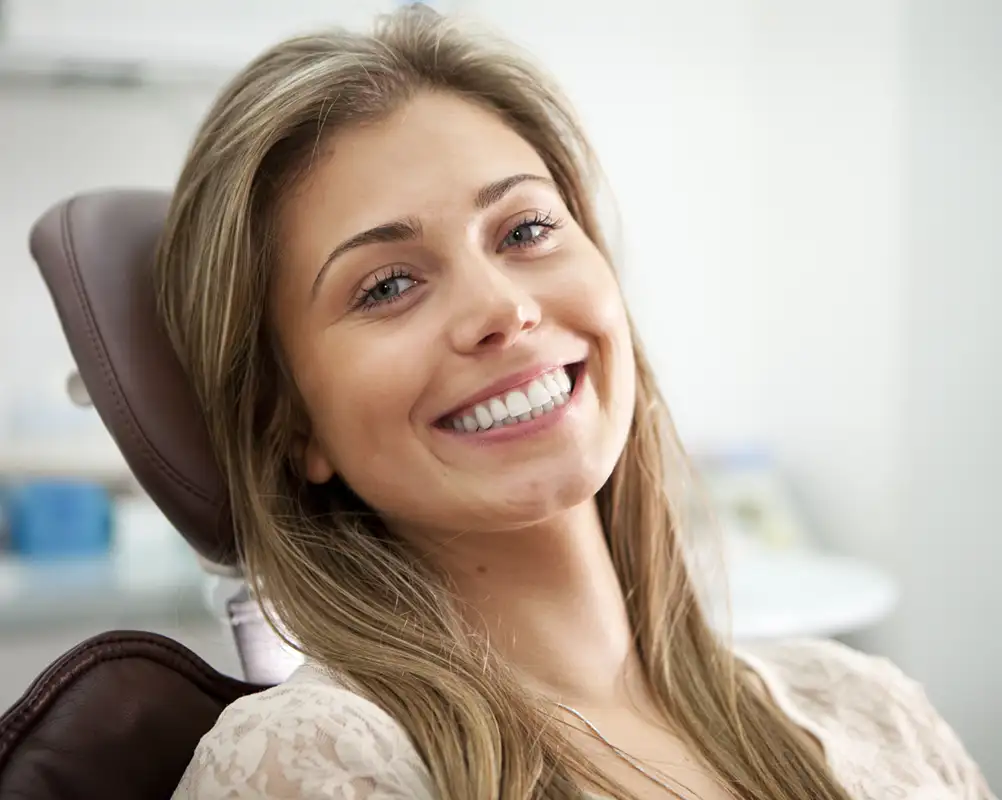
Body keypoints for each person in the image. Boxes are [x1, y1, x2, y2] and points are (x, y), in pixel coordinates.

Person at [159, 5, 993, 799]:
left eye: (525, 231)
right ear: (290, 422)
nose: (504, 308)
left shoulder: (872, 709)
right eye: (388, 285)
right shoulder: (308, 763)